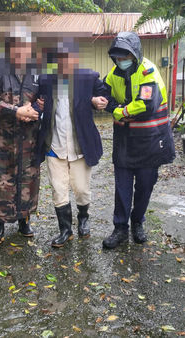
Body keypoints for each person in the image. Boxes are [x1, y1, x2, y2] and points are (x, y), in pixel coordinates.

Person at [99, 31, 176, 249]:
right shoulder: (114, 73)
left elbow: (146, 105)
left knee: (145, 185)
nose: (121, 61)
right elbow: (104, 94)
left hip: (150, 141)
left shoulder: (148, 72)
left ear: (135, 55)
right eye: (118, 57)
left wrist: (118, 112)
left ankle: (137, 222)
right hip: (124, 142)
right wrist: (102, 101)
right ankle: (120, 228)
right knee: (122, 187)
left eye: (126, 56)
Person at [35, 39, 108, 248]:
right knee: (59, 190)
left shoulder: (89, 77)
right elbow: (34, 100)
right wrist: (37, 104)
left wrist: (97, 101)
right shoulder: (46, 80)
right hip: (54, 145)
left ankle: (83, 219)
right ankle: (65, 230)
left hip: (80, 145)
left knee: (82, 189)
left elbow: (105, 96)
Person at [0, 25, 44, 245]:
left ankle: (24, 219)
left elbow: (44, 97)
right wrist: (16, 111)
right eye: (17, 46)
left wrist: (35, 109)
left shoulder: (35, 69)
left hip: (27, 142)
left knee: (27, 182)